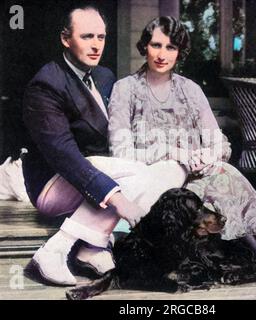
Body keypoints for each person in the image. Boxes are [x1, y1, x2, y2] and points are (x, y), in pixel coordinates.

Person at [107, 16, 256, 272]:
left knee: (223, 171)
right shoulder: (125, 89)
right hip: (156, 184)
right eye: (156, 45)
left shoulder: (190, 90)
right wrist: (173, 153)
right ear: (144, 46)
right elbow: (121, 152)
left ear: (180, 51)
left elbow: (218, 142)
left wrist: (207, 156)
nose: (162, 54)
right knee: (226, 176)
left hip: (197, 179)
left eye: (171, 47)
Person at [23, 6, 186, 286]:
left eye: (101, 37)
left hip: (97, 175)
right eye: (87, 36)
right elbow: (65, 157)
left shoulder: (105, 77)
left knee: (173, 170)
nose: (96, 45)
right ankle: (54, 249)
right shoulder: (46, 84)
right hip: (54, 183)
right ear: (66, 39)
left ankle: (89, 247)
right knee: (142, 174)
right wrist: (119, 200)